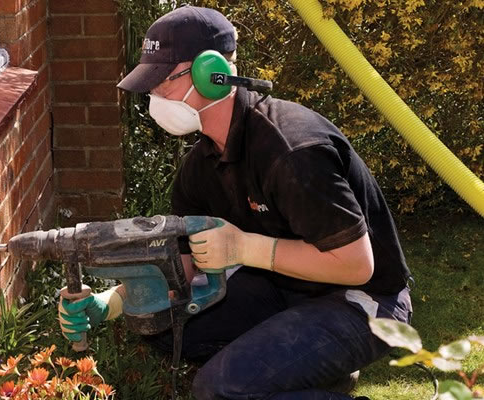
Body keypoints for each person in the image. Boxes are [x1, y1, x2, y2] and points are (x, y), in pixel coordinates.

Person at [57, 6, 413, 399]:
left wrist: (246, 247)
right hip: (285, 289)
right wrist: (112, 302)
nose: (153, 98)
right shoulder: (202, 166)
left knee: (219, 389)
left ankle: (308, 372)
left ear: (211, 75)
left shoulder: (292, 150)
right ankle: (316, 374)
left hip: (362, 302)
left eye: (162, 82)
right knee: (160, 322)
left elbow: (356, 265)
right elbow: (181, 267)